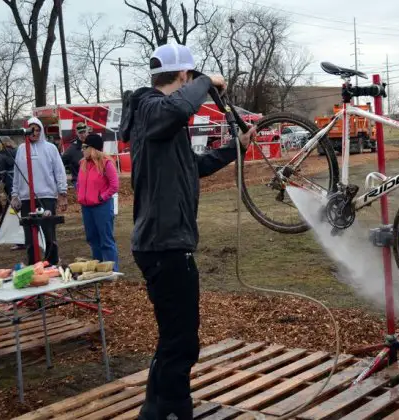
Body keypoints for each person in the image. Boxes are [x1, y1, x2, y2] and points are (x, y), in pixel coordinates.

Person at [123, 43, 256, 420]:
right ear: (184, 77)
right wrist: (208, 81)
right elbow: (181, 106)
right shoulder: (151, 108)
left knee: (173, 338)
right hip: (163, 244)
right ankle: (175, 411)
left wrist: (236, 149)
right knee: (182, 342)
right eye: (191, 78)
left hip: (165, 242)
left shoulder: (162, 124)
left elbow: (193, 168)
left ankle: (156, 409)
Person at [10, 117, 69, 266]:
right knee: (30, 237)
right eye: (31, 130)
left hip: (46, 196)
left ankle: (53, 264)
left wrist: (62, 192)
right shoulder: (22, 149)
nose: (34, 133)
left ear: (41, 130)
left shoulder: (50, 148)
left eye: (37, 129)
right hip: (25, 198)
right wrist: (15, 194)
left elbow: (59, 171)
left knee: (48, 234)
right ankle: (33, 267)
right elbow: (17, 173)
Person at [77, 133, 120, 269]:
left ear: (93, 148)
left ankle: (113, 271)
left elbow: (114, 185)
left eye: (85, 147)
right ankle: (99, 269)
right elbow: (79, 182)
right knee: (92, 239)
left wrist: (102, 197)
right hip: (86, 207)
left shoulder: (106, 163)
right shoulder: (83, 163)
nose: (82, 149)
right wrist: (80, 194)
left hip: (102, 207)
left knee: (106, 240)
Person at [62, 122, 86, 189]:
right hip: (79, 182)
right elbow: (60, 162)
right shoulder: (71, 148)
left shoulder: (92, 144)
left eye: (84, 132)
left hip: (93, 180)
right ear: (77, 133)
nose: (83, 134)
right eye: (80, 132)